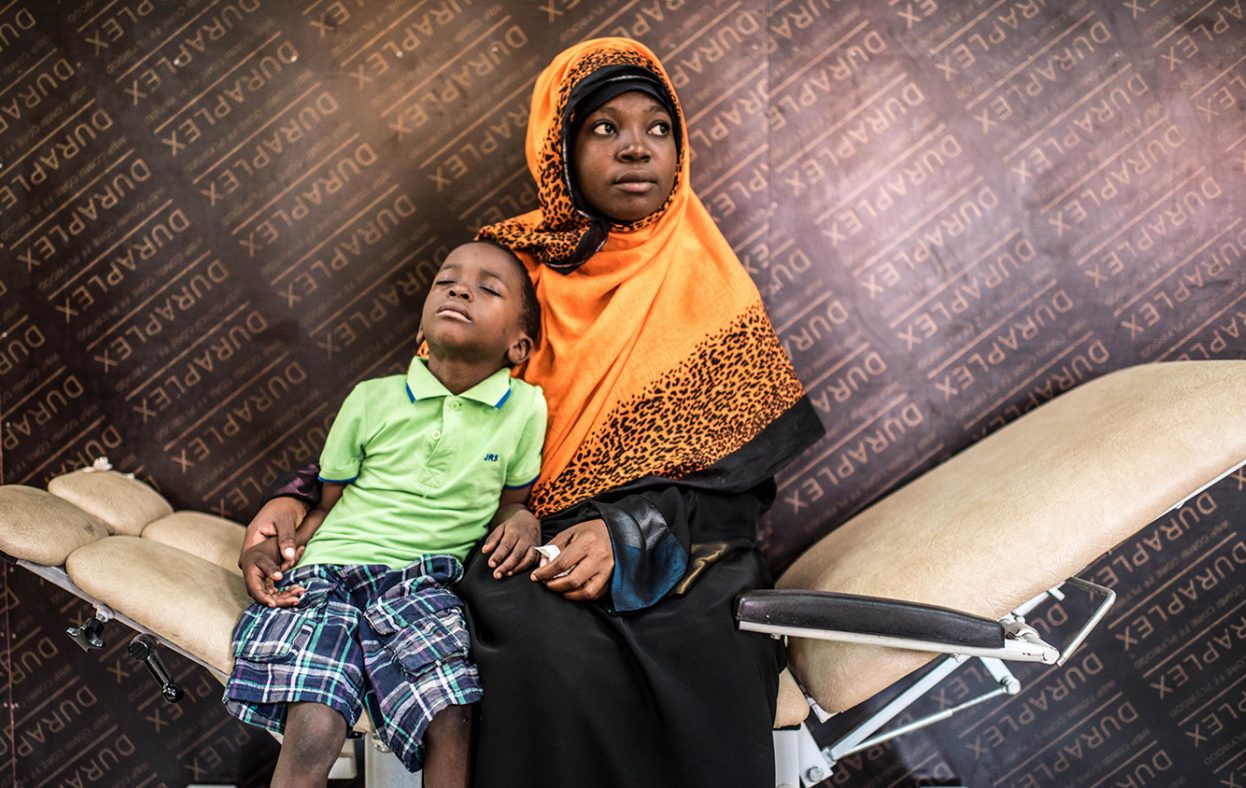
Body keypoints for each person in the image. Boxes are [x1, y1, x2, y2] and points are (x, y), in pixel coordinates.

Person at [243, 38, 824, 786]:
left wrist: (628, 535)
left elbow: (735, 492)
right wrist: (296, 501)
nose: (637, 149)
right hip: (524, 531)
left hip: (678, 538)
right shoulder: (509, 270)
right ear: (559, 147)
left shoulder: (713, 287)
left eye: (658, 128)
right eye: (604, 129)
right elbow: (420, 418)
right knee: (529, 638)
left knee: (710, 639)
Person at [226, 240, 548, 787]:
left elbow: (510, 504)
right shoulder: (371, 399)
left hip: (425, 583)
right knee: (316, 723)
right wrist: (274, 549)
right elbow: (326, 505)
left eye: (487, 288)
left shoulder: (525, 410)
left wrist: (524, 521)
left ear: (519, 346)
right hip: (327, 574)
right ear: (422, 325)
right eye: (446, 282)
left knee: (452, 713)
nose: (460, 289)